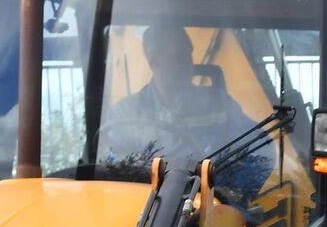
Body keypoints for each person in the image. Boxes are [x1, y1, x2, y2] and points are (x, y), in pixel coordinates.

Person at [100, 23, 258, 169]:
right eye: (177, 56)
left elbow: (261, 146)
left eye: (188, 55)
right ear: (154, 61)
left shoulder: (219, 104)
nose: (187, 63)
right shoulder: (125, 113)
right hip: (146, 197)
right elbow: (115, 167)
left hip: (208, 194)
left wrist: (236, 189)